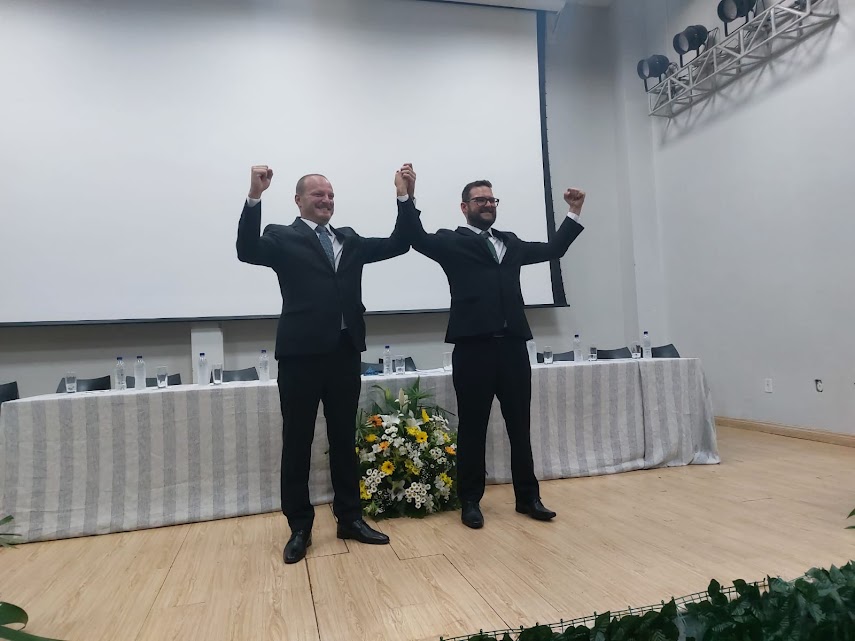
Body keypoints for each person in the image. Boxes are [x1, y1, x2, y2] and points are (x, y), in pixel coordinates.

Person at [237, 165, 411, 562]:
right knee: (297, 442)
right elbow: (246, 251)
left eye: (331, 195)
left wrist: (404, 196)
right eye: (318, 195)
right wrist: (254, 196)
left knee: (343, 441)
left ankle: (350, 518)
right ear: (298, 200)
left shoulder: (349, 239)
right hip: (300, 356)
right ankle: (300, 526)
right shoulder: (281, 236)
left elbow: (399, 243)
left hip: (344, 352)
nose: (326, 201)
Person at [396, 164, 585, 529]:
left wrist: (573, 211)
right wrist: (406, 195)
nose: (487, 204)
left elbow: (554, 247)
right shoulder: (451, 241)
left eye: (491, 199)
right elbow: (415, 237)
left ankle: (528, 498)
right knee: (473, 427)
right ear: (464, 207)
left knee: (519, 426)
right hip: (473, 348)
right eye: (479, 199)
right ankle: (470, 501)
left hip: (513, 346)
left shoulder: (510, 242)